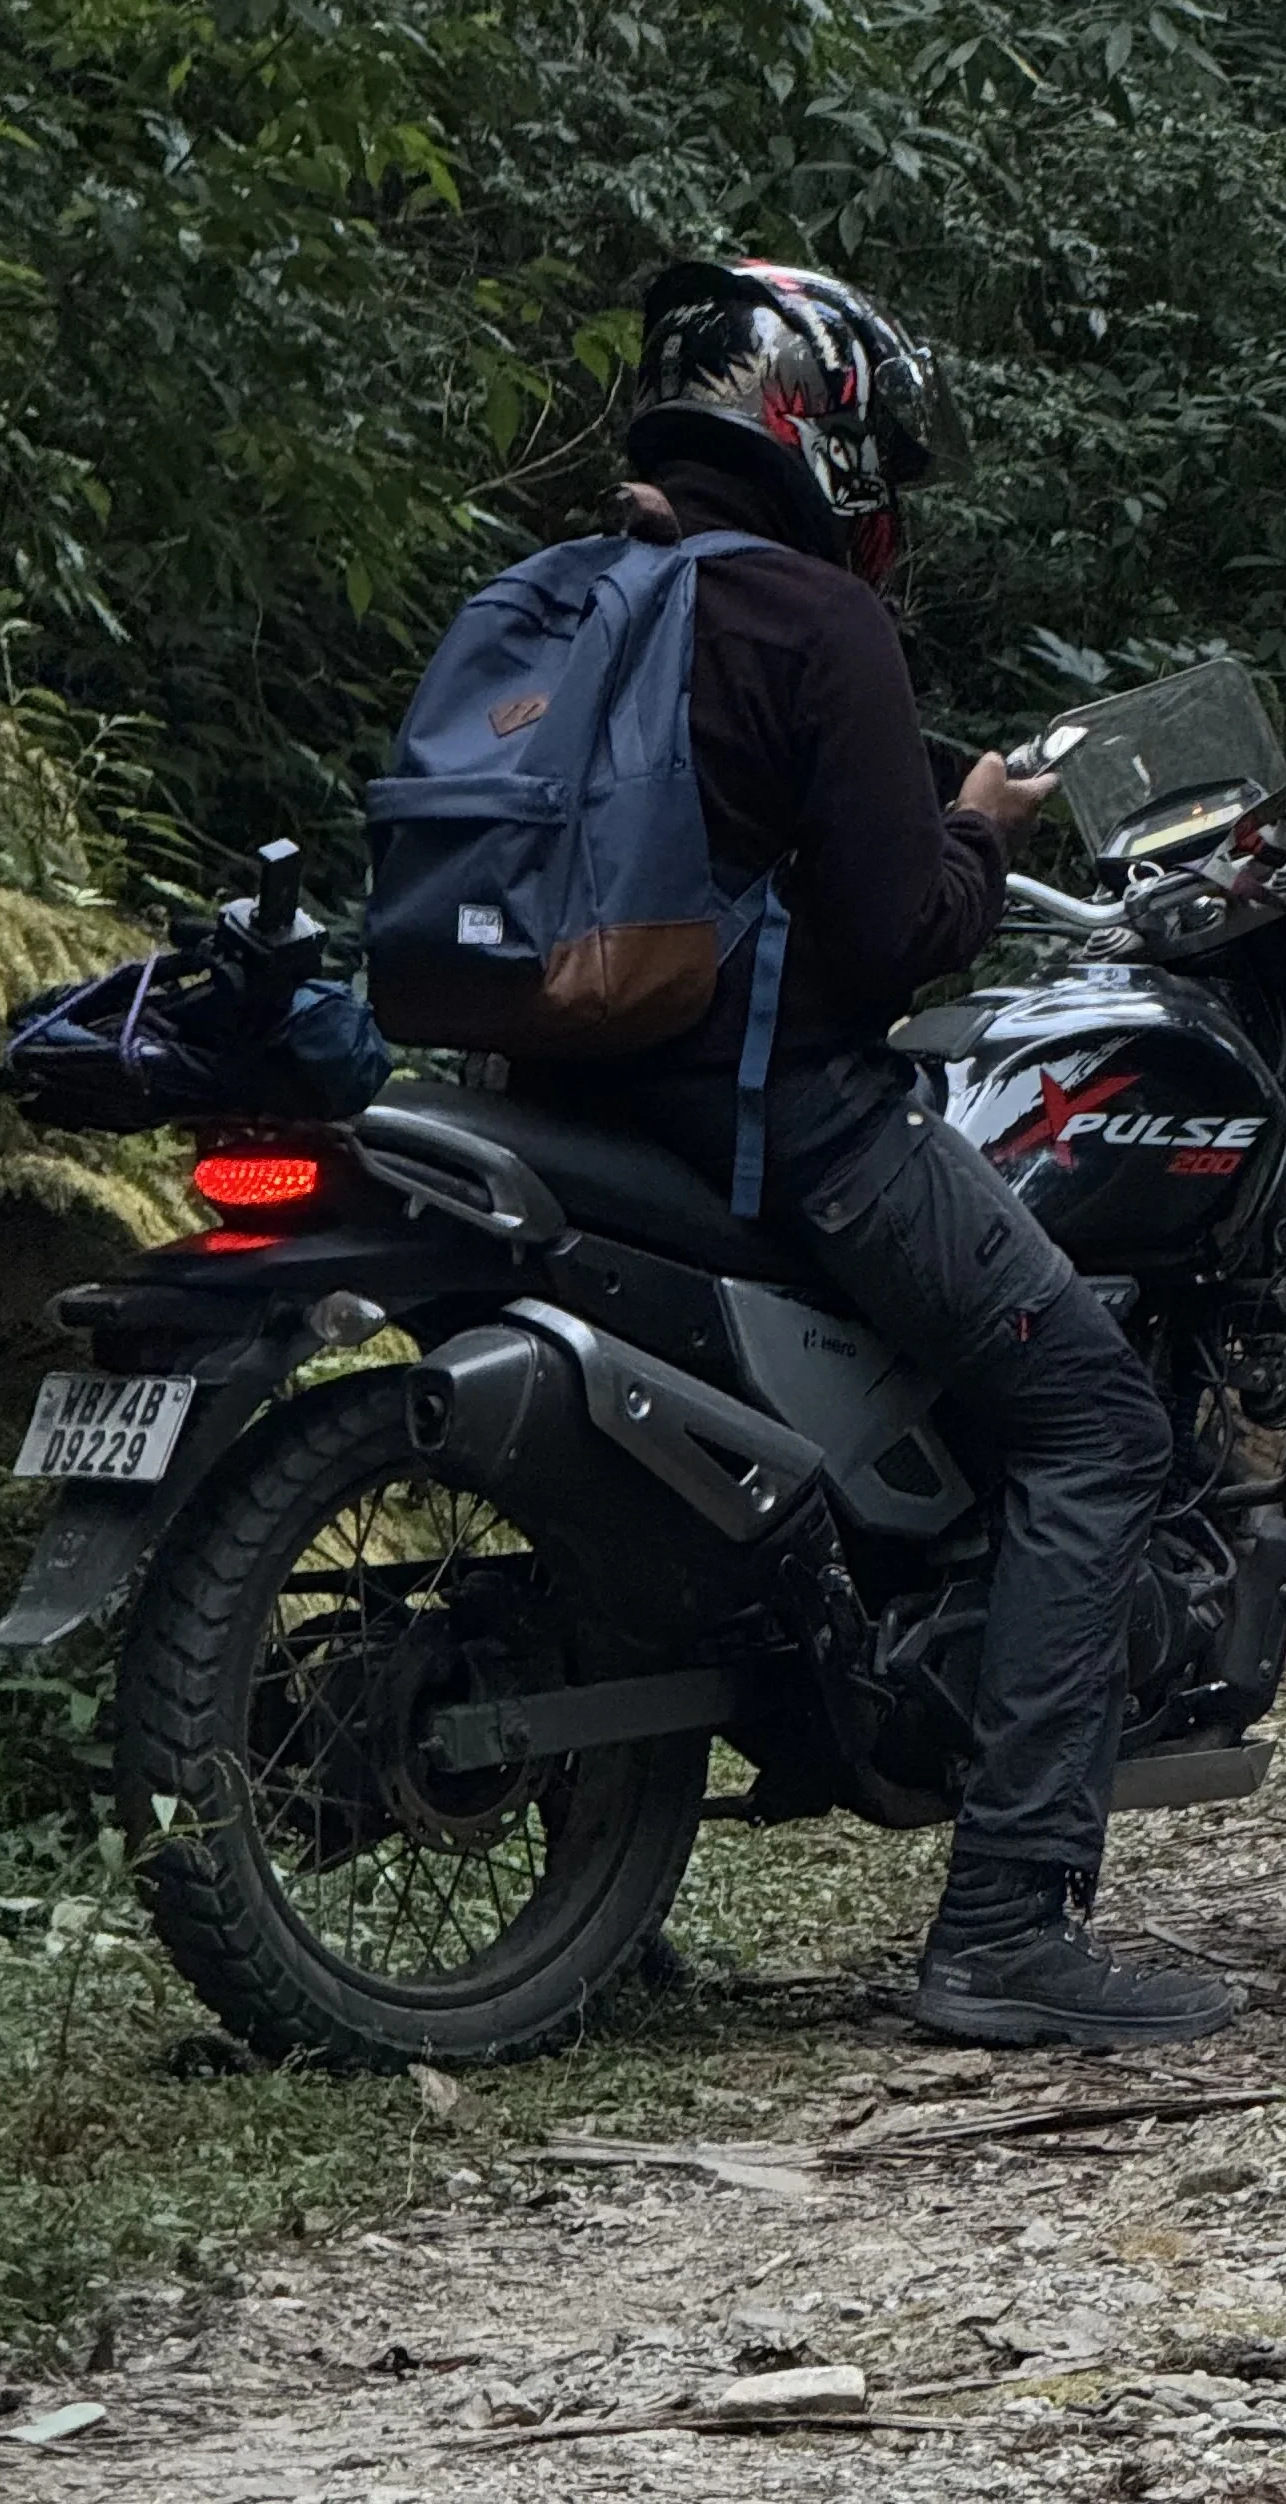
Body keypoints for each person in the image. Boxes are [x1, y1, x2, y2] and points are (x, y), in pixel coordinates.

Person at [527, 253, 1236, 2052]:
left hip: (562, 1111)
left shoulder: (570, 593)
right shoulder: (809, 617)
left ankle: (591, 1896)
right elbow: (900, 925)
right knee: (1096, 1420)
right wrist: (981, 832)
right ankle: (1010, 1917)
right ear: (817, 430)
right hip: (781, 1122)